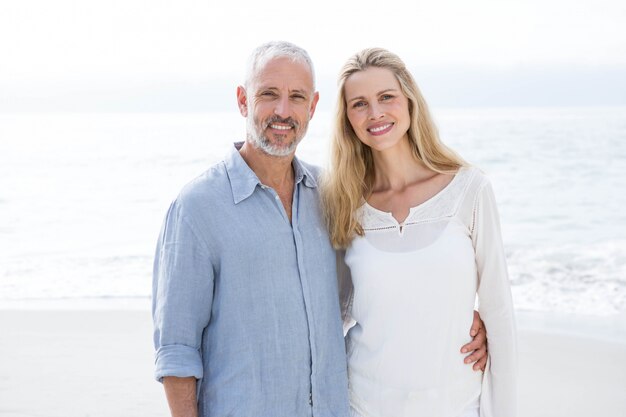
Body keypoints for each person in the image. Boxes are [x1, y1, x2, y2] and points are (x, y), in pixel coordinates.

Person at [152, 41, 489, 417]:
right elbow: (177, 350)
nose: (283, 110)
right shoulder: (197, 209)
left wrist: (466, 321)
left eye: (297, 97)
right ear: (242, 100)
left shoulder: (334, 197)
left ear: (312, 107)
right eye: (269, 94)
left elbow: (378, 285)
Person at [321, 48, 517, 417]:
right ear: (347, 118)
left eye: (386, 97)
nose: (375, 113)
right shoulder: (344, 202)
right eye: (359, 104)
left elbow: (499, 313)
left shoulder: (469, 190)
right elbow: (332, 311)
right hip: (362, 405)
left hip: (456, 405)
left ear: (409, 101)